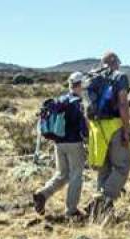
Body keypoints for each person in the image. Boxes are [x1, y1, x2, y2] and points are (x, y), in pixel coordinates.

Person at [33, 72, 89, 218]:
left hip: (58, 143)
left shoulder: (61, 99)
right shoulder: (77, 103)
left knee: (62, 174)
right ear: (80, 85)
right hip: (74, 143)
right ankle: (71, 211)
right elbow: (83, 126)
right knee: (76, 175)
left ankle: (42, 194)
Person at [85, 52, 130, 217]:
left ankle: (100, 213)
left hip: (97, 127)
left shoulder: (92, 77)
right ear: (115, 62)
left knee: (104, 168)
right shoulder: (120, 77)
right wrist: (126, 129)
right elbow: (123, 103)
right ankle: (102, 199)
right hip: (115, 126)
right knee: (122, 166)